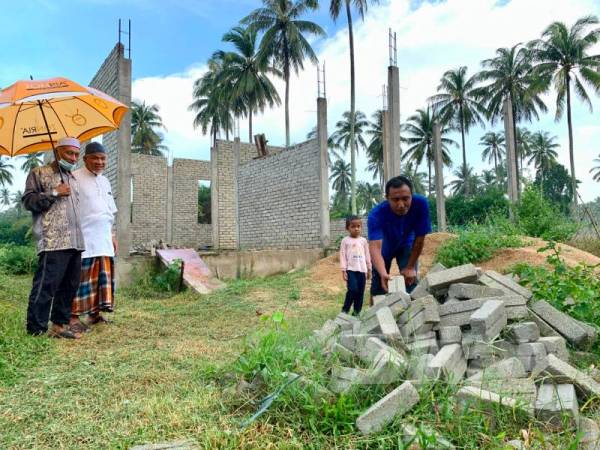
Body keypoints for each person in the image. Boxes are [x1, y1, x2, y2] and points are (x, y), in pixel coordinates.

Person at [23, 137, 85, 339]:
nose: (74, 158)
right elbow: (29, 201)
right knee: (46, 285)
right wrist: (55, 192)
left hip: (75, 241)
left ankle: (59, 325)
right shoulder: (38, 173)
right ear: (57, 152)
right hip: (53, 240)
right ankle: (36, 329)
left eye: (76, 154)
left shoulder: (72, 178)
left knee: (70, 285)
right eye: (69, 153)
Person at [69, 142, 118, 333]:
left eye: (103, 158)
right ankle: (72, 317)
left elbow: (109, 210)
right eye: (95, 158)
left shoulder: (105, 181)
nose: (99, 162)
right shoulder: (74, 178)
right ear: (85, 159)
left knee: (101, 278)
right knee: (81, 279)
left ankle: (95, 314)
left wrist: (112, 234)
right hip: (85, 239)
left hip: (104, 238)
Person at [368, 175, 432, 301]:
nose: (401, 205)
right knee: (379, 288)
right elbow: (374, 247)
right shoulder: (376, 215)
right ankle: (372, 316)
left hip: (406, 244)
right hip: (384, 249)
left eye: (405, 199)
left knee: (410, 282)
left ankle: (413, 315)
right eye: (395, 200)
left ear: (411, 195)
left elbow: (419, 239)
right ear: (387, 198)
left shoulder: (421, 204)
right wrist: (382, 273)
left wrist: (410, 267)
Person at [340, 215, 371, 315]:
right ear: (347, 228)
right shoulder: (345, 241)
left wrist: (369, 269)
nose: (356, 228)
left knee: (360, 292)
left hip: (362, 270)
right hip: (351, 270)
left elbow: (367, 255)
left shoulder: (364, 241)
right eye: (353, 226)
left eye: (358, 226)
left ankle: (356, 312)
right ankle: (345, 310)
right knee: (352, 289)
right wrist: (344, 270)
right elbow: (343, 255)